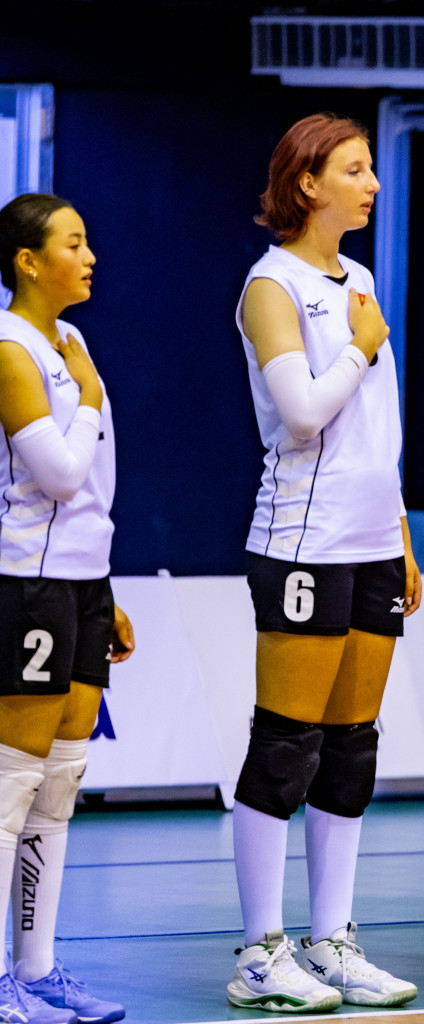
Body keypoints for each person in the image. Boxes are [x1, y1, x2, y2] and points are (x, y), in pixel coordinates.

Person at [229, 113, 420, 1013]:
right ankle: (260, 951)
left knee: (350, 751)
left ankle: (332, 940)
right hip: (301, 541)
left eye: (372, 168)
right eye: (356, 168)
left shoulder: (362, 280)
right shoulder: (271, 286)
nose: (372, 182)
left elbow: (375, 434)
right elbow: (302, 414)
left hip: (372, 541)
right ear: (309, 183)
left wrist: (401, 533)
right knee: (286, 748)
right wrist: (360, 343)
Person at [0, 193, 131, 1024]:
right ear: (27, 260)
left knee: (61, 784)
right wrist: (84, 398)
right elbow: (56, 475)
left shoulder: (70, 341)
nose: (89, 257)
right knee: (12, 784)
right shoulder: (12, 348)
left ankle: (38, 971)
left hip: (81, 580)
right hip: (27, 582)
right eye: (72, 244)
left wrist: (106, 589)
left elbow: (93, 493)